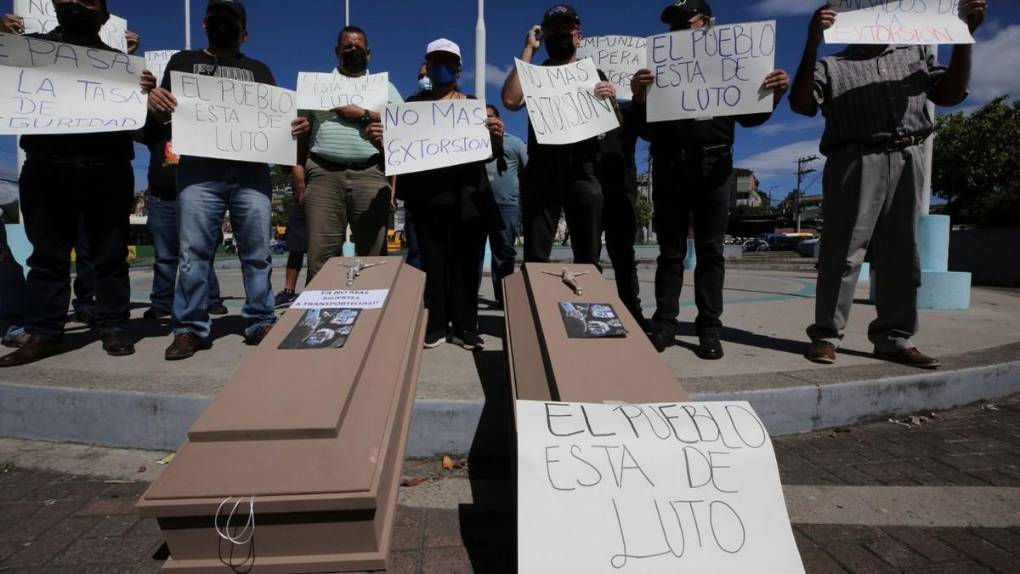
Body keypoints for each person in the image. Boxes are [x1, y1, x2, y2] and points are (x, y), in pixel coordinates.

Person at [790, 2, 986, 369]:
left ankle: (894, 337)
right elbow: (801, 104)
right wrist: (812, 43)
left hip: (908, 156)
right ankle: (826, 336)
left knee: (901, 253)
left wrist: (964, 36)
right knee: (843, 253)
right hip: (853, 159)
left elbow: (949, 94)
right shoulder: (832, 66)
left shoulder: (916, 56)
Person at [146, 0, 310, 360]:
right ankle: (189, 328)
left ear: (245, 32)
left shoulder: (260, 70)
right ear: (205, 23)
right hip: (199, 170)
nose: (225, 25)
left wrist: (295, 128)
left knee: (257, 253)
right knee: (193, 254)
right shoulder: (183, 63)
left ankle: (260, 319)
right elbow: (160, 120)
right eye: (218, 19)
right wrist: (154, 104)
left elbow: (277, 124)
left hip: (250, 173)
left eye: (232, 21)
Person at [631, 0, 790, 359]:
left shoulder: (733, 64)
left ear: (705, 23)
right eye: (672, 25)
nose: (676, 31)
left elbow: (751, 118)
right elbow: (643, 131)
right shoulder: (659, 69)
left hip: (715, 166)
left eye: (683, 22)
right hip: (670, 167)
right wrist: (640, 96)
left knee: (710, 252)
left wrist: (775, 92)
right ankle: (666, 325)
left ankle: (708, 330)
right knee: (670, 252)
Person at [0, 0, 154, 368]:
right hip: (46, 167)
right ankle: (44, 333)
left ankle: (114, 325)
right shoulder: (28, 48)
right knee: (47, 257)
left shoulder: (122, 66)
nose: (76, 5)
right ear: (55, 6)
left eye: (87, 1)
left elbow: (142, 130)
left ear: (103, 16)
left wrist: (144, 95)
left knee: (110, 255)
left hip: (109, 169)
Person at [371, 39, 503, 351]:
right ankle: (435, 325)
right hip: (427, 203)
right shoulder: (412, 108)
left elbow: (489, 155)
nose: (441, 67)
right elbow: (396, 156)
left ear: (458, 68)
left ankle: (466, 327)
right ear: (427, 67)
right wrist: (382, 143)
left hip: (469, 202)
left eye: (448, 61)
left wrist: (495, 135)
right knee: (433, 266)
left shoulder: (473, 106)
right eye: (435, 61)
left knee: (467, 267)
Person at [501, 5, 618, 267]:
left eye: (565, 30)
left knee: (588, 254)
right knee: (535, 254)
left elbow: (614, 125)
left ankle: (588, 301)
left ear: (578, 36)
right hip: (542, 170)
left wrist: (610, 100)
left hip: (583, 169)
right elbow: (510, 99)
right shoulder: (535, 75)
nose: (559, 35)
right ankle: (537, 305)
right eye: (553, 30)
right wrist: (530, 49)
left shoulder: (594, 75)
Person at [299, 25, 402, 284]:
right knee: (320, 253)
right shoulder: (316, 86)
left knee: (373, 253)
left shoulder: (386, 88)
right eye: (347, 47)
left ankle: (372, 315)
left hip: (370, 173)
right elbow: (298, 132)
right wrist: (298, 172)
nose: (353, 51)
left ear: (369, 53)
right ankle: (319, 315)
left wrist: (365, 114)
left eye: (358, 48)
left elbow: (406, 124)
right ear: (336, 52)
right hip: (323, 174)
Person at [138, 119, 228, 320]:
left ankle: (211, 299)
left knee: (201, 253)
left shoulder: (202, 123)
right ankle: (162, 302)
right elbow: (133, 127)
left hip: (196, 198)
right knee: (164, 256)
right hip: (161, 198)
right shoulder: (157, 127)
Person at [598, 99, 650, 332]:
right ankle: (590, 308)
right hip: (586, 188)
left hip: (621, 189)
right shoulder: (577, 108)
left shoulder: (628, 110)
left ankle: (631, 309)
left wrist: (637, 96)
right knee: (587, 256)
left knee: (624, 256)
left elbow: (647, 127)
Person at [483, 104, 527, 308]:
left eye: (490, 117)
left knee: (504, 253)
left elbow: (527, 172)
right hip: (477, 205)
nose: (487, 121)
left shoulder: (515, 143)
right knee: (471, 253)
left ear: (499, 120)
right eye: (482, 118)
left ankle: (504, 299)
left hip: (506, 207)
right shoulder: (469, 143)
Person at [274, 175, 308, 307]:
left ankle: (318, 288)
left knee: (322, 246)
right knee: (295, 246)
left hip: (325, 187)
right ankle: (288, 291)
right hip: (301, 193)